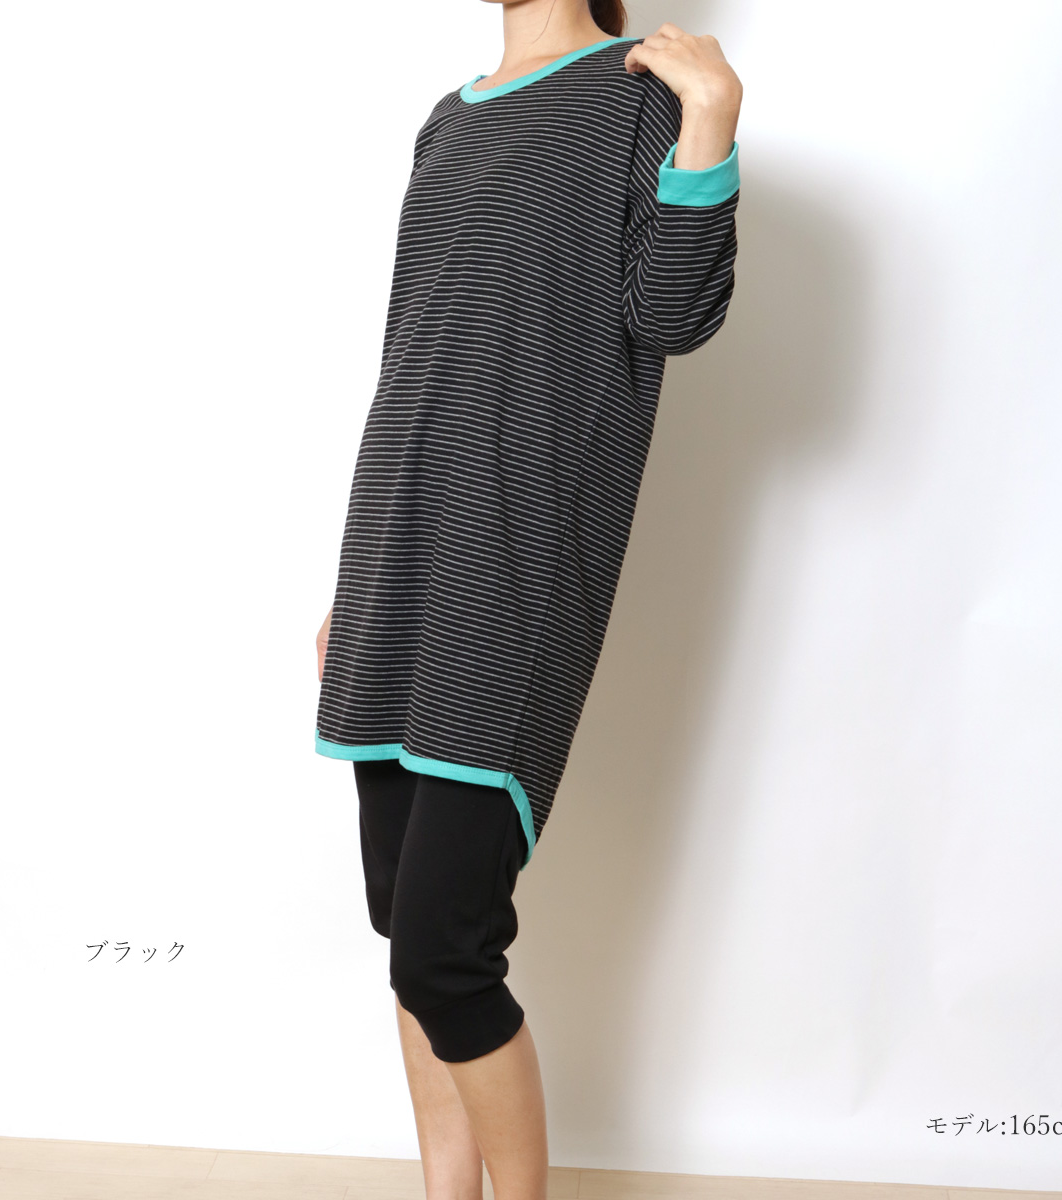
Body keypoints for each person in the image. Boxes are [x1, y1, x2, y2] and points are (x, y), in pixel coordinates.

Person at [314, 1, 742, 1196]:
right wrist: (355, 579)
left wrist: (712, 117)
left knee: (445, 953)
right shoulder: (446, 122)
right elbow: (413, 353)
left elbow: (673, 317)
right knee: (402, 929)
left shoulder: (642, 92)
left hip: (515, 563)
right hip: (398, 550)